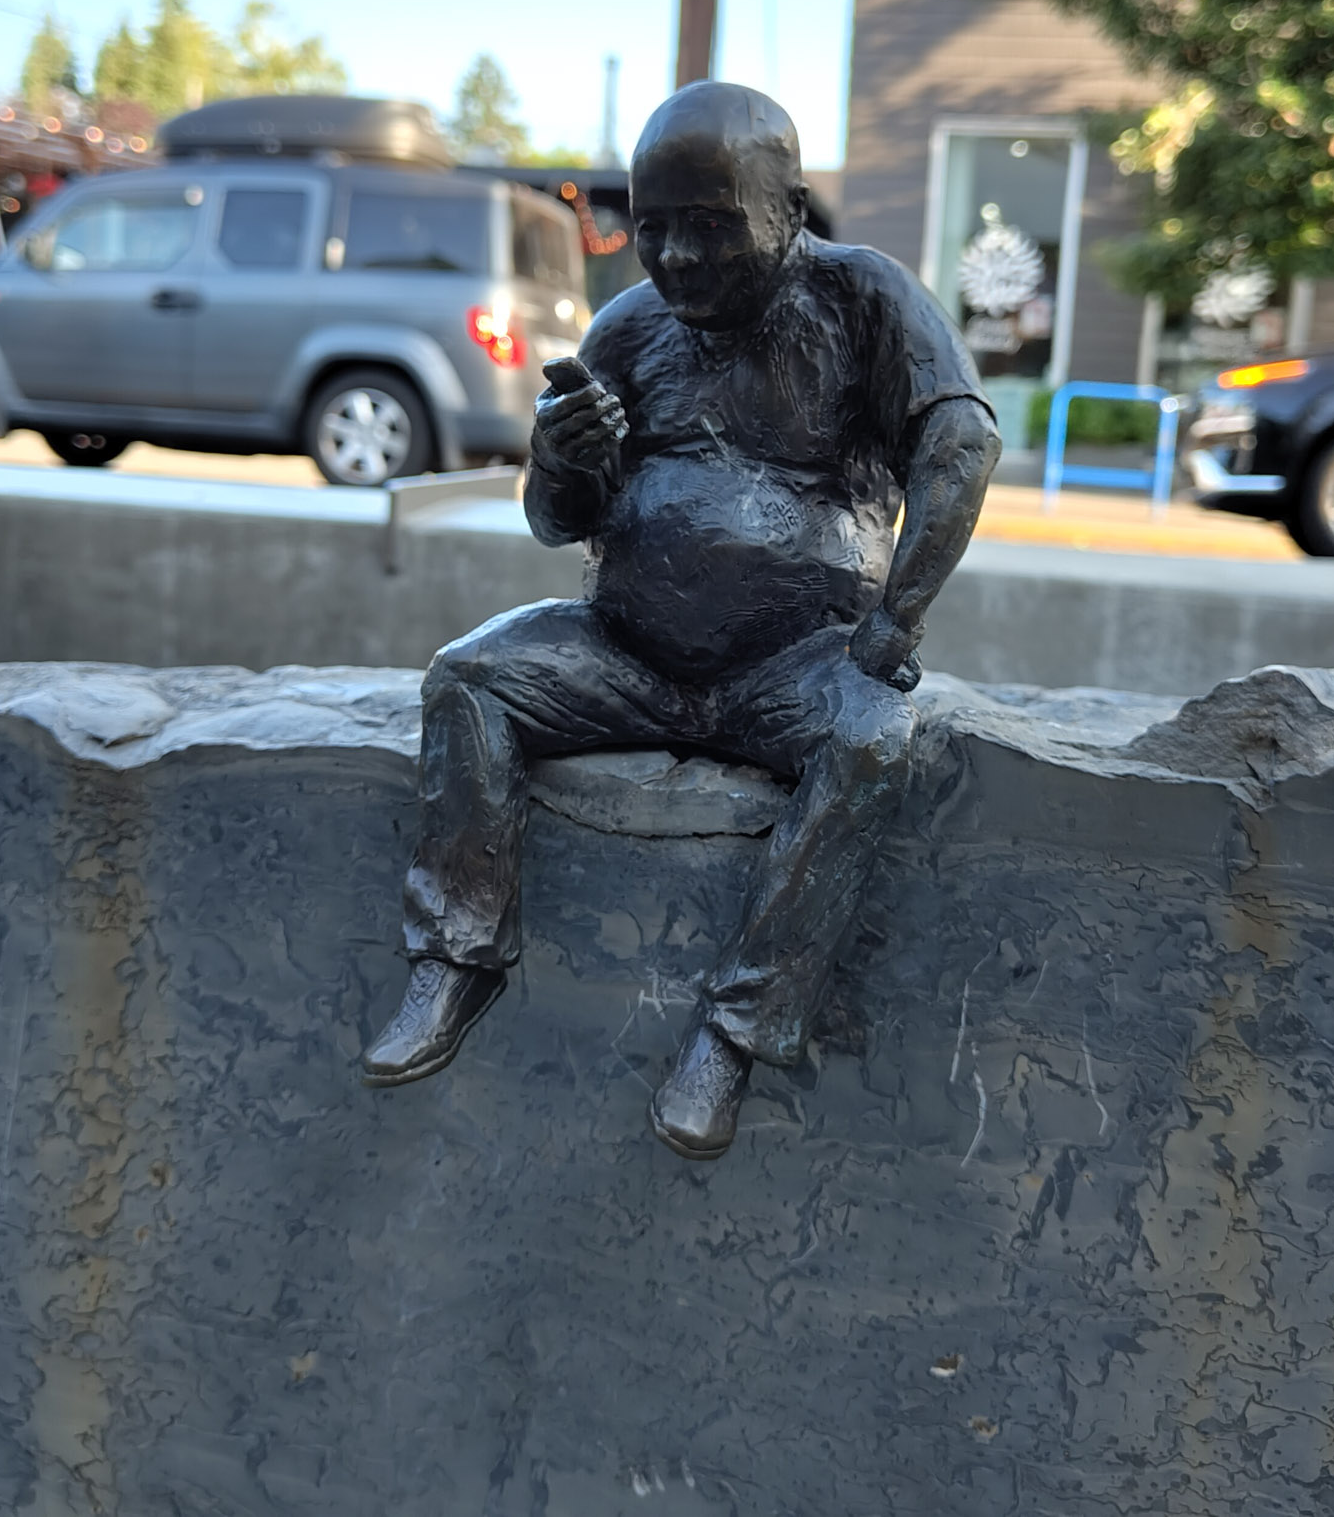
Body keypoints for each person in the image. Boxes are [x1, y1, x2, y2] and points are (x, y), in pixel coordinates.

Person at [361, 81, 1000, 1158]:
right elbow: (556, 523)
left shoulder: (865, 300)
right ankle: (455, 959)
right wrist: (559, 459)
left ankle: (736, 1032)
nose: (677, 257)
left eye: (709, 224)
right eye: (652, 228)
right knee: (469, 677)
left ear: (787, 208)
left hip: (793, 665)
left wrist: (896, 623)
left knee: (869, 740)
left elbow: (961, 445)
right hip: (627, 654)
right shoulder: (627, 327)